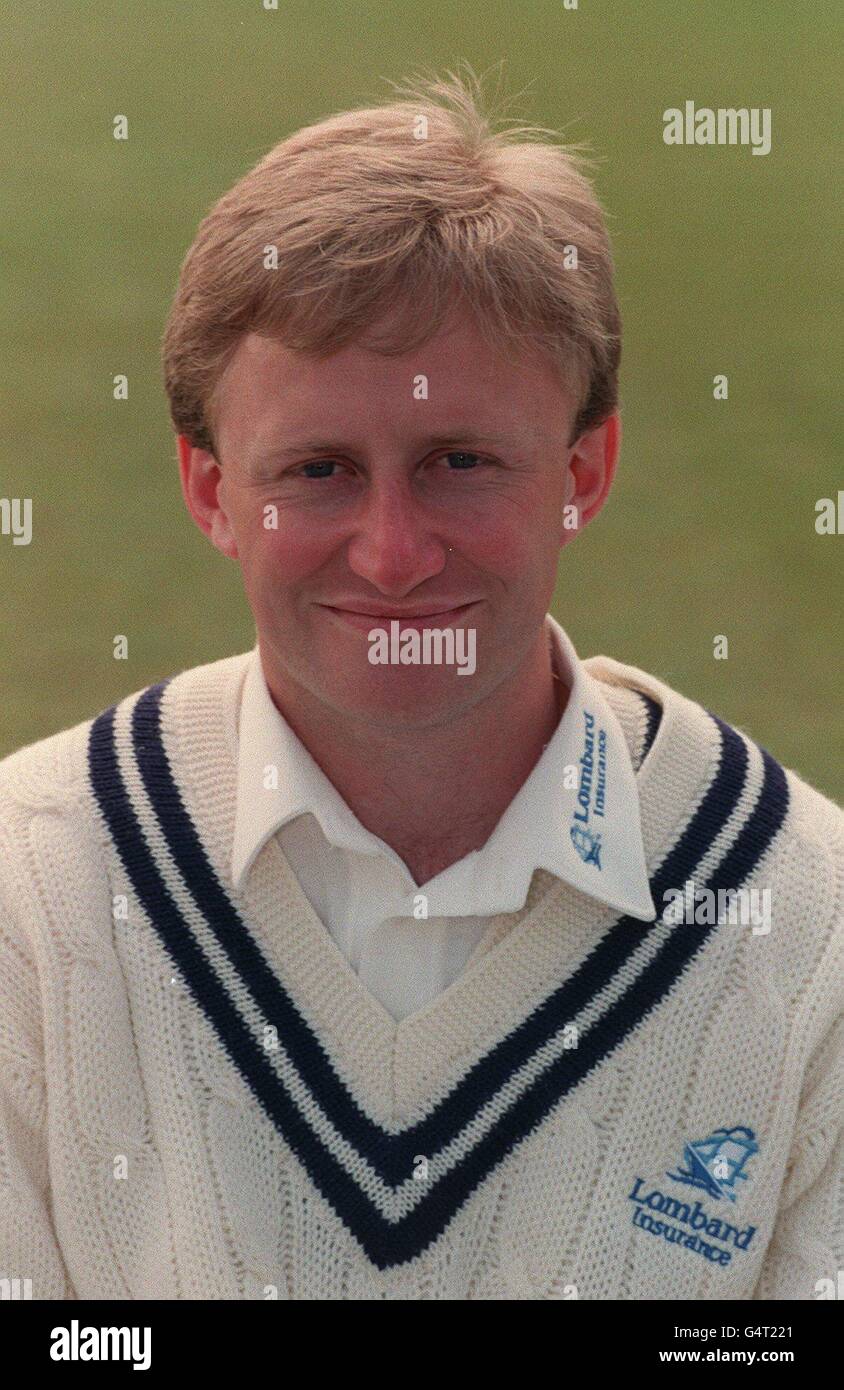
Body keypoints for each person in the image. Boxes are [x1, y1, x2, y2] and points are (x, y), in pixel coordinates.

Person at [0, 71, 840, 1301]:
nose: (393, 554)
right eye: (321, 468)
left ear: (584, 471)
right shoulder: (32, 889)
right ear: (207, 489)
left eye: (460, 461)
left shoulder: (807, 924)